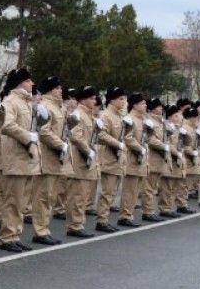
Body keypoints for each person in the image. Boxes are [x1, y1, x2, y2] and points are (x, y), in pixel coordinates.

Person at [0, 68, 38, 253]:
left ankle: (15, 235)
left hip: (25, 157)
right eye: (28, 81)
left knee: (21, 202)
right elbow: (7, 125)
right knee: (13, 200)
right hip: (15, 157)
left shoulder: (27, 102)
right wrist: (27, 136)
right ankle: (7, 237)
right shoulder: (11, 101)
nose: (32, 84)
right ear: (20, 83)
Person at [30, 76, 69, 245]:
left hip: (56, 158)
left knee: (50, 197)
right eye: (57, 88)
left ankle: (44, 228)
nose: (60, 90)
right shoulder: (45, 106)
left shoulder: (59, 107)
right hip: (46, 156)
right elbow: (44, 132)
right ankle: (40, 231)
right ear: (50, 90)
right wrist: (61, 145)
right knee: (43, 196)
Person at [63, 86, 100, 238]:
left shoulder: (89, 115)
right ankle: (74, 225)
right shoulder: (77, 114)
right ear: (83, 100)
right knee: (77, 196)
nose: (94, 101)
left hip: (87, 161)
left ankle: (78, 224)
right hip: (79, 159)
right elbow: (76, 136)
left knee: (83, 195)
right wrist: (88, 150)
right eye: (91, 98)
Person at [93, 87, 128, 233]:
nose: (123, 102)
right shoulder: (106, 116)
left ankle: (104, 219)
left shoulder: (118, 116)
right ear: (112, 100)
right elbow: (101, 135)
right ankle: (102, 220)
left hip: (117, 159)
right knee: (107, 192)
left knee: (112, 192)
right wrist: (117, 143)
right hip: (108, 158)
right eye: (121, 99)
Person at [117, 93, 149, 226]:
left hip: (141, 159)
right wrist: (140, 148)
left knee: (135, 190)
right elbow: (128, 138)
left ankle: (129, 214)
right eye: (142, 103)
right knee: (129, 190)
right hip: (132, 158)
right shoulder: (129, 119)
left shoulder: (143, 119)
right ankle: (124, 216)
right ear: (135, 105)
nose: (145, 105)